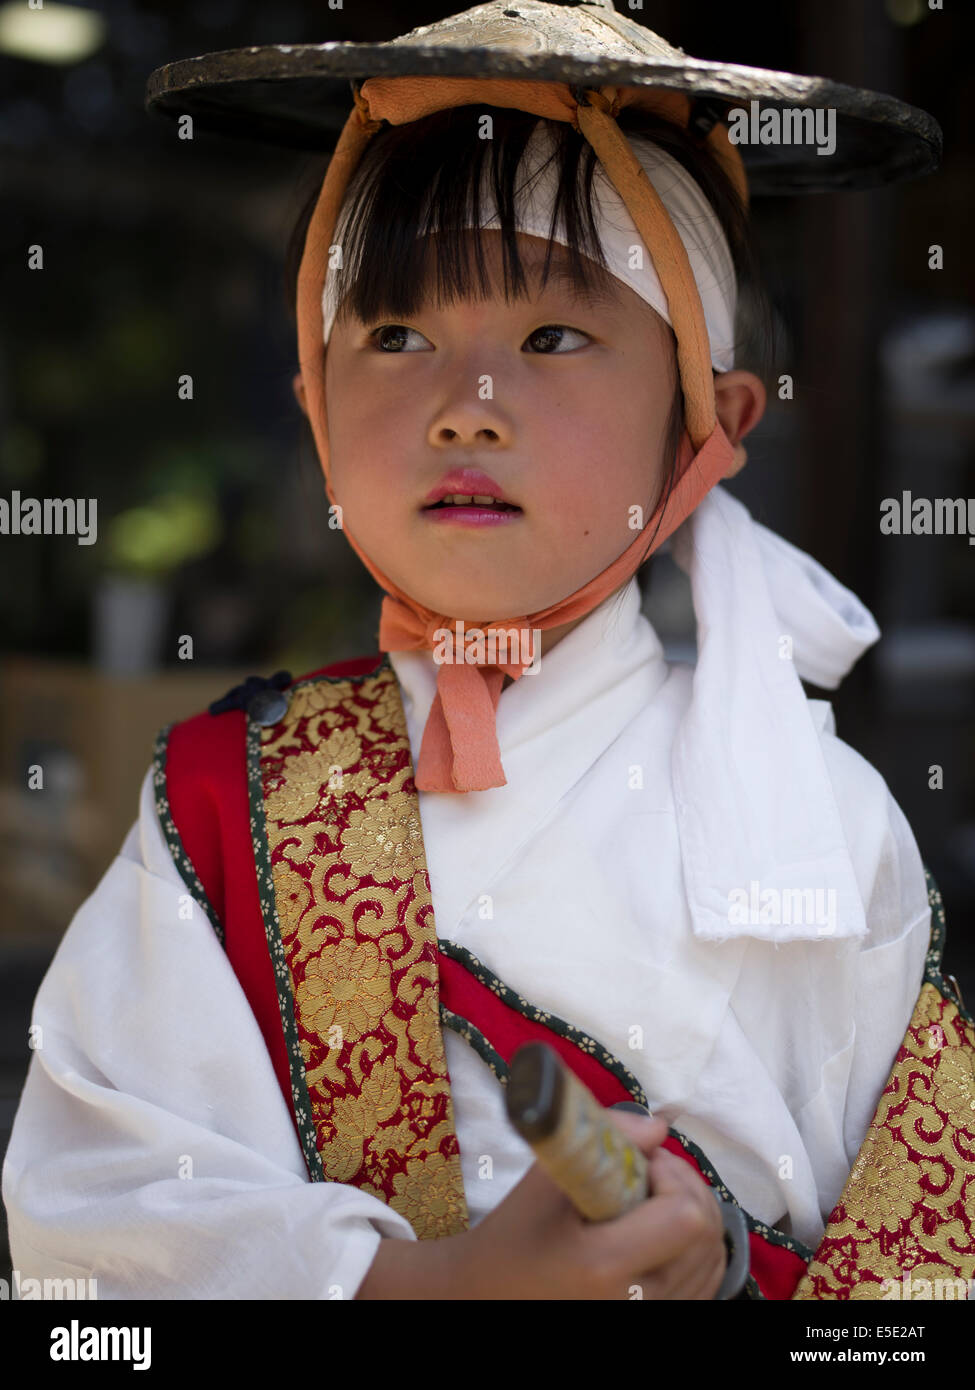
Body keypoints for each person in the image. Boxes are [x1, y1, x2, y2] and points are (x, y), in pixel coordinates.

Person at [4, 1, 971, 1303]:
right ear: (315, 399)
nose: (467, 408)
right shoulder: (225, 802)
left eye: (552, 337)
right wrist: (439, 1288)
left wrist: (728, 1265)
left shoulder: (832, 833)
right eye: (394, 336)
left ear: (708, 421)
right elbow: (91, 1244)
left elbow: (921, 1271)